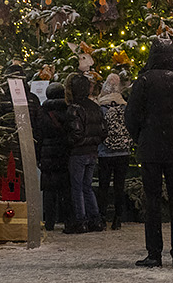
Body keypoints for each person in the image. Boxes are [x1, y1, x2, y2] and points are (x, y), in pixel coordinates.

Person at [125, 39, 173, 268]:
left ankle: (154, 253)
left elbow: (132, 116)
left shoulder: (145, 81)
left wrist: (141, 138)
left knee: (152, 201)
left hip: (151, 149)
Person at [63, 73, 105, 233]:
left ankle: (81, 221)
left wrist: (70, 142)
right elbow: (103, 130)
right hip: (92, 151)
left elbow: (76, 132)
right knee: (87, 187)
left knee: (77, 187)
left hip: (78, 152)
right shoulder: (94, 107)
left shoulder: (74, 108)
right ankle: (95, 219)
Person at [95, 73, 133, 230]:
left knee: (103, 185)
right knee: (119, 185)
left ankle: (102, 216)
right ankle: (118, 217)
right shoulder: (125, 105)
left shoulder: (101, 106)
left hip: (105, 151)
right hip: (123, 151)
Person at [33, 81, 72, 231]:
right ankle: (67, 220)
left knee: (49, 190)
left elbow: (38, 135)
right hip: (64, 152)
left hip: (47, 154)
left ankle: (49, 222)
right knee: (65, 188)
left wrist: (38, 155)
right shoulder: (68, 110)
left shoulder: (42, 112)